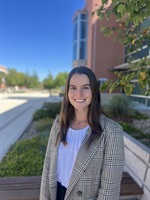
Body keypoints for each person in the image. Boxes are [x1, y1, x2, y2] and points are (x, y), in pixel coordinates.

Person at [40, 66, 125, 200]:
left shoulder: (111, 131)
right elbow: (47, 167)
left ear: (94, 91)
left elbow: (109, 188)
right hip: (56, 194)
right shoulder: (58, 124)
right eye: (73, 87)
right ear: (67, 91)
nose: (78, 93)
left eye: (85, 87)